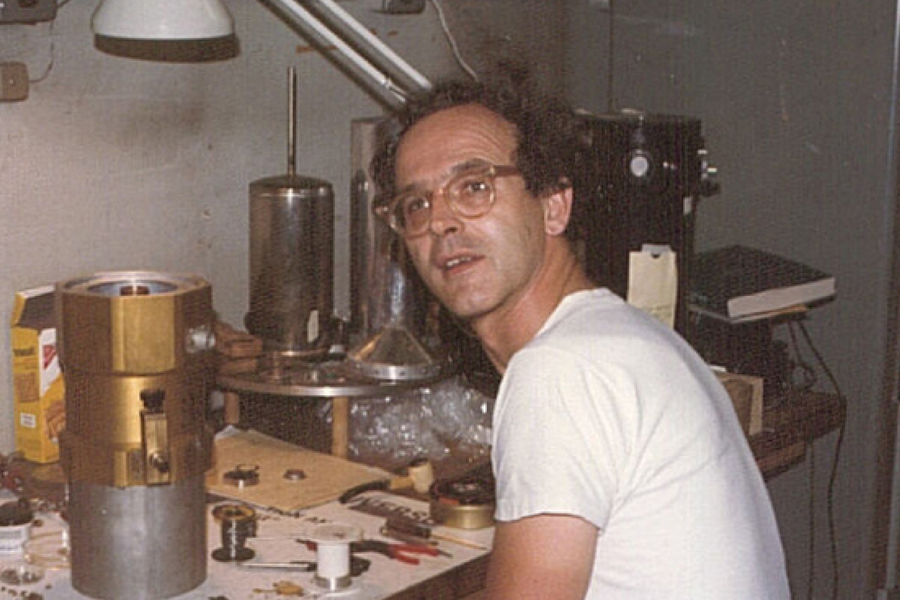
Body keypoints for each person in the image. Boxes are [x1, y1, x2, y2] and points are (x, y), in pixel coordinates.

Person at [371, 71, 791, 600]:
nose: (441, 222)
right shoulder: (619, 332)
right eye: (417, 204)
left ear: (554, 206)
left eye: (474, 187)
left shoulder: (561, 371)